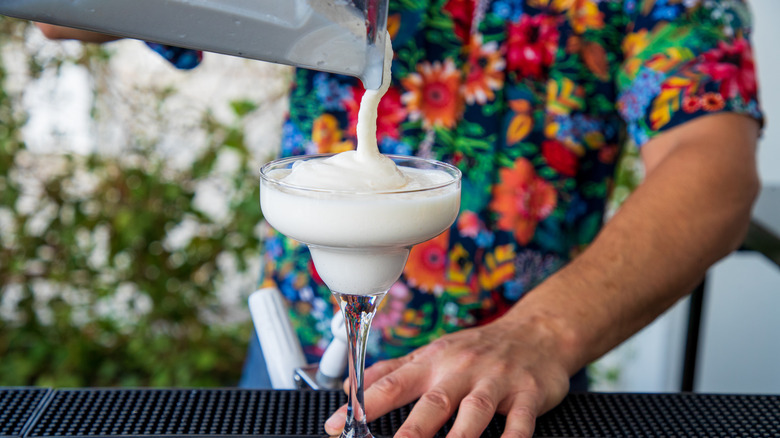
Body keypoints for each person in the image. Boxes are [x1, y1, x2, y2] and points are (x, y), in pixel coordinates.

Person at [38, 0, 763, 436]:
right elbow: (60, 16)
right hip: (296, 358)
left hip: (509, 374)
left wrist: (540, 335)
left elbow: (715, 168)